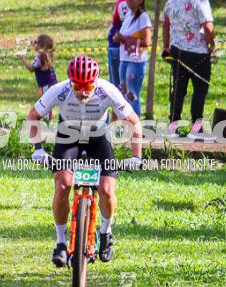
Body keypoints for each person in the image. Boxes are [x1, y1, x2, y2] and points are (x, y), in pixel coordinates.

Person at [27, 55, 143, 267]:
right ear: (70, 81)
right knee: (63, 186)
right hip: (67, 136)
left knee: (107, 190)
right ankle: (61, 243)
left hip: (98, 138)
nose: (83, 92)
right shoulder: (60, 90)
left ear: (96, 80)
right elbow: (33, 115)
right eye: (78, 86)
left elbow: (133, 121)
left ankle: (106, 231)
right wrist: (38, 149)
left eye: (88, 86)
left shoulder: (107, 90)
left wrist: (136, 156)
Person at [162, 0, 216, 134]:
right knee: (200, 90)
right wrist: (212, 44)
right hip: (198, 52)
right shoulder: (201, 0)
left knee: (178, 89)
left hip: (177, 51)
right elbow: (207, 26)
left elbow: (166, 24)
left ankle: (173, 124)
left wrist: (166, 46)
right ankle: (197, 127)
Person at [114, 0, 152, 116]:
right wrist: (118, 38)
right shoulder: (129, 16)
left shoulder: (143, 17)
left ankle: (135, 127)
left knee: (132, 95)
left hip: (135, 62)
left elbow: (146, 41)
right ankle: (125, 125)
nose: (129, 1)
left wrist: (124, 39)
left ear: (140, 0)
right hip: (124, 59)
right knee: (123, 95)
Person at [19, 34, 58, 155]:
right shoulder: (46, 55)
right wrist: (32, 43)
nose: (34, 44)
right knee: (48, 108)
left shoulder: (40, 57)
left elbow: (31, 68)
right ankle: (49, 129)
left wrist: (22, 58)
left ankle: (48, 133)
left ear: (41, 45)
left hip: (47, 86)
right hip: (50, 84)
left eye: (36, 42)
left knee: (44, 109)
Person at [106, 0, 129, 88]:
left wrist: (119, 37)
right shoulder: (122, 1)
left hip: (117, 49)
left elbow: (127, 25)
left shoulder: (123, 2)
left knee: (116, 88)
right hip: (116, 48)